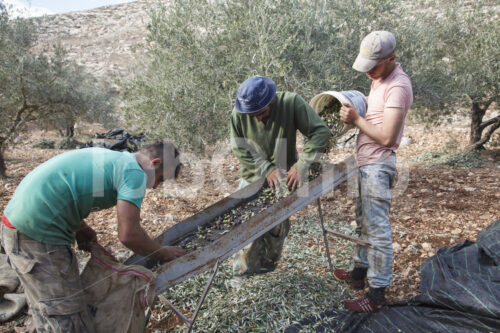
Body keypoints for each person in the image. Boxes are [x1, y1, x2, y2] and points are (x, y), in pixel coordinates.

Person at [1, 141, 186, 332]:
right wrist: (162, 252)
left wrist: (80, 227)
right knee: (67, 317)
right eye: (160, 179)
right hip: (36, 237)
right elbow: (129, 235)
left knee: (47, 307)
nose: (155, 187)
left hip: (18, 226)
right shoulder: (135, 173)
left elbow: (68, 188)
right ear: (154, 164)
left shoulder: (116, 159)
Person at [337, 31, 413, 312]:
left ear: (392, 58)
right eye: (365, 66)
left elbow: (387, 138)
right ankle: (359, 275)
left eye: (374, 66)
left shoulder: (398, 87)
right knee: (362, 222)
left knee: (378, 231)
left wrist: (357, 119)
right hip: (365, 162)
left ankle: (377, 296)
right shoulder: (380, 79)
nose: (369, 72)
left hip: (378, 165)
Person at [230, 76, 330, 285]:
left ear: (271, 101)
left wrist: (302, 165)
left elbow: (319, 132)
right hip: (253, 177)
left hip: (284, 179)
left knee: (277, 231)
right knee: (247, 232)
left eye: (261, 113)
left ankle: (266, 277)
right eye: (252, 115)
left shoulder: (291, 103)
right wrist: (266, 169)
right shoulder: (240, 114)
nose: (256, 119)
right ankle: (241, 278)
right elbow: (239, 147)